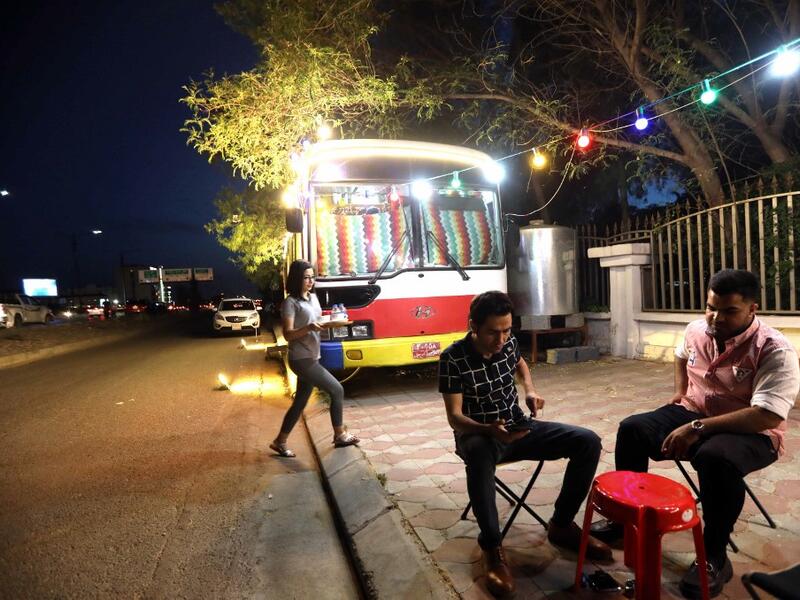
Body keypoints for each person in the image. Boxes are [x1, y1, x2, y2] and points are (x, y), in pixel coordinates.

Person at [591, 269, 799, 599]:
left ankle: (714, 555)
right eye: (711, 307)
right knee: (632, 429)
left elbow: (767, 415)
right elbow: (681, 355)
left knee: (714, 457)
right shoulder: (696, 330)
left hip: (753, 432)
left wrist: (696, 428)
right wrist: (680, 391)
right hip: (695, 410)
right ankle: (624, 524)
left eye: (729, 311)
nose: (716, 318)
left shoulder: (774, 349)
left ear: (752, 310)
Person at [438, 290, 611, 598]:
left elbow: (520, 364)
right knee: (478, 456)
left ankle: (561, 524)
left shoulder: (508, 343)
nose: (501, 338)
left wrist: (530, 390)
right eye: (493, 332)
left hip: (519, 426)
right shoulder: (453, 358)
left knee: (588, 441)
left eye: (506, 330)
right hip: (478, 434)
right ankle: (492, 547)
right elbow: (455, 417)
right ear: (473, 326)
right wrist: (489, 430)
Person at [269, 260, 359, 457]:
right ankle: (339, 434)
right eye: (306, 277)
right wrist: (309, 328)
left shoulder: (313, 298)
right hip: (301, 359)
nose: (311, 281)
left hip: (312, 355)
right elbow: (288, 334)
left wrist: (331, 323)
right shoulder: (290, 303)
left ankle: (280, 441)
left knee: (300, 402)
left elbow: (317, 321)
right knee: (337, 390)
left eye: (312, 277)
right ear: (296, 279)